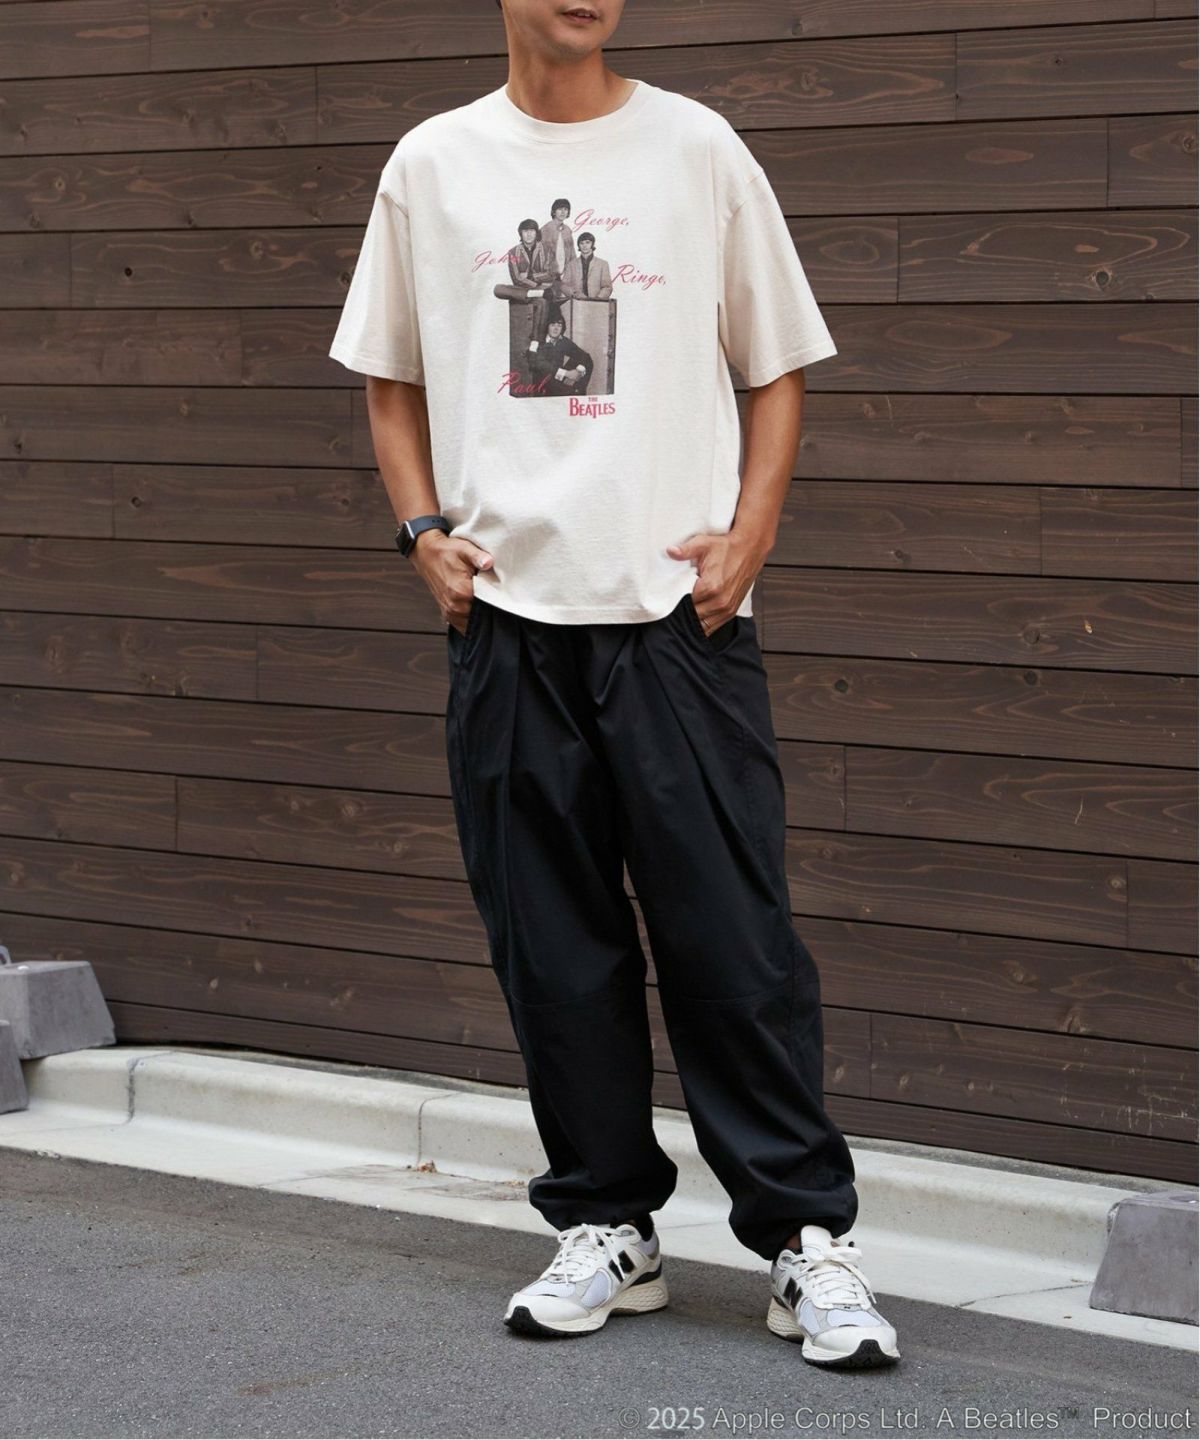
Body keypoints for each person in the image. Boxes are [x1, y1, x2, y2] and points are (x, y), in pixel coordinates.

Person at [328, 0, 900, 1371]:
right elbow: (390, 376)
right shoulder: (433, 164)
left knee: (735, 945)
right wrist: (420, 535)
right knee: (554, 952)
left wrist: (752, 533)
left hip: (675, 617)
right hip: (507, 620)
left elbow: (777, 364)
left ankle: (802, 1240)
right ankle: (608, 1224)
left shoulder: (697, 150)